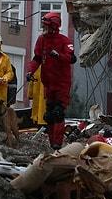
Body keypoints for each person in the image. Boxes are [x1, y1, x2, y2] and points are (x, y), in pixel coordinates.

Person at [26, 12, 76, 150]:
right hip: (48, 84)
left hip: (62, 84)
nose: (44, 29)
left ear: (54, 26)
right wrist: (30, 71)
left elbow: (72, 58)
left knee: (58, 113)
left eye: (46, 26)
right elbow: (37, 58)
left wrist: (58, 55)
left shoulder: (64, 41)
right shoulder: (41, 40)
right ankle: (52, 143)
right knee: (49, 115)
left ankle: (57, 144)